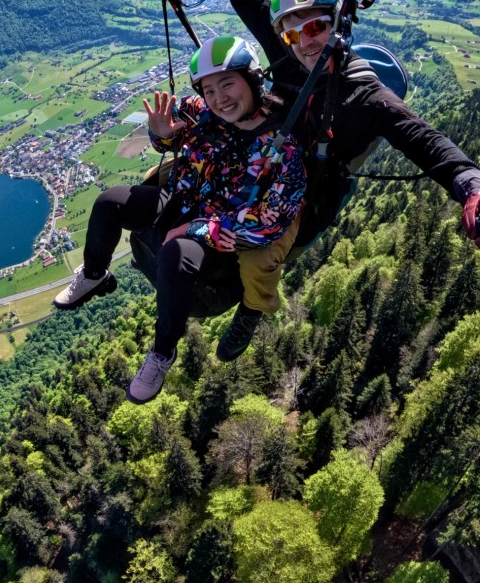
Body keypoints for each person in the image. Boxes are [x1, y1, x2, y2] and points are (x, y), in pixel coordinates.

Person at [53, 36, 306, 403]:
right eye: (209, 89)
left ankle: (161, 352)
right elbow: (170, 141)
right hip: (183, 198)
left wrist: (196, 229)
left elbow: (268, 223)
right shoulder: (199, 110)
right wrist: (161, 136)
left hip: (220, 229)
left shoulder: (281, 148)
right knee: (110, 202)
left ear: (253, 80)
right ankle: (95, 275)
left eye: (228, 83)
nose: (219, 98)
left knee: (175, 252)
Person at [223, 0, 480, 252]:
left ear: (337, 24)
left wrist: (475, 189)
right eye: (292, 34)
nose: (305, 42)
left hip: (311, 198)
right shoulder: (289, 53)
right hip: (263, 165)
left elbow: (426, 142)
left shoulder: (366, 97)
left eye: (316, 27)